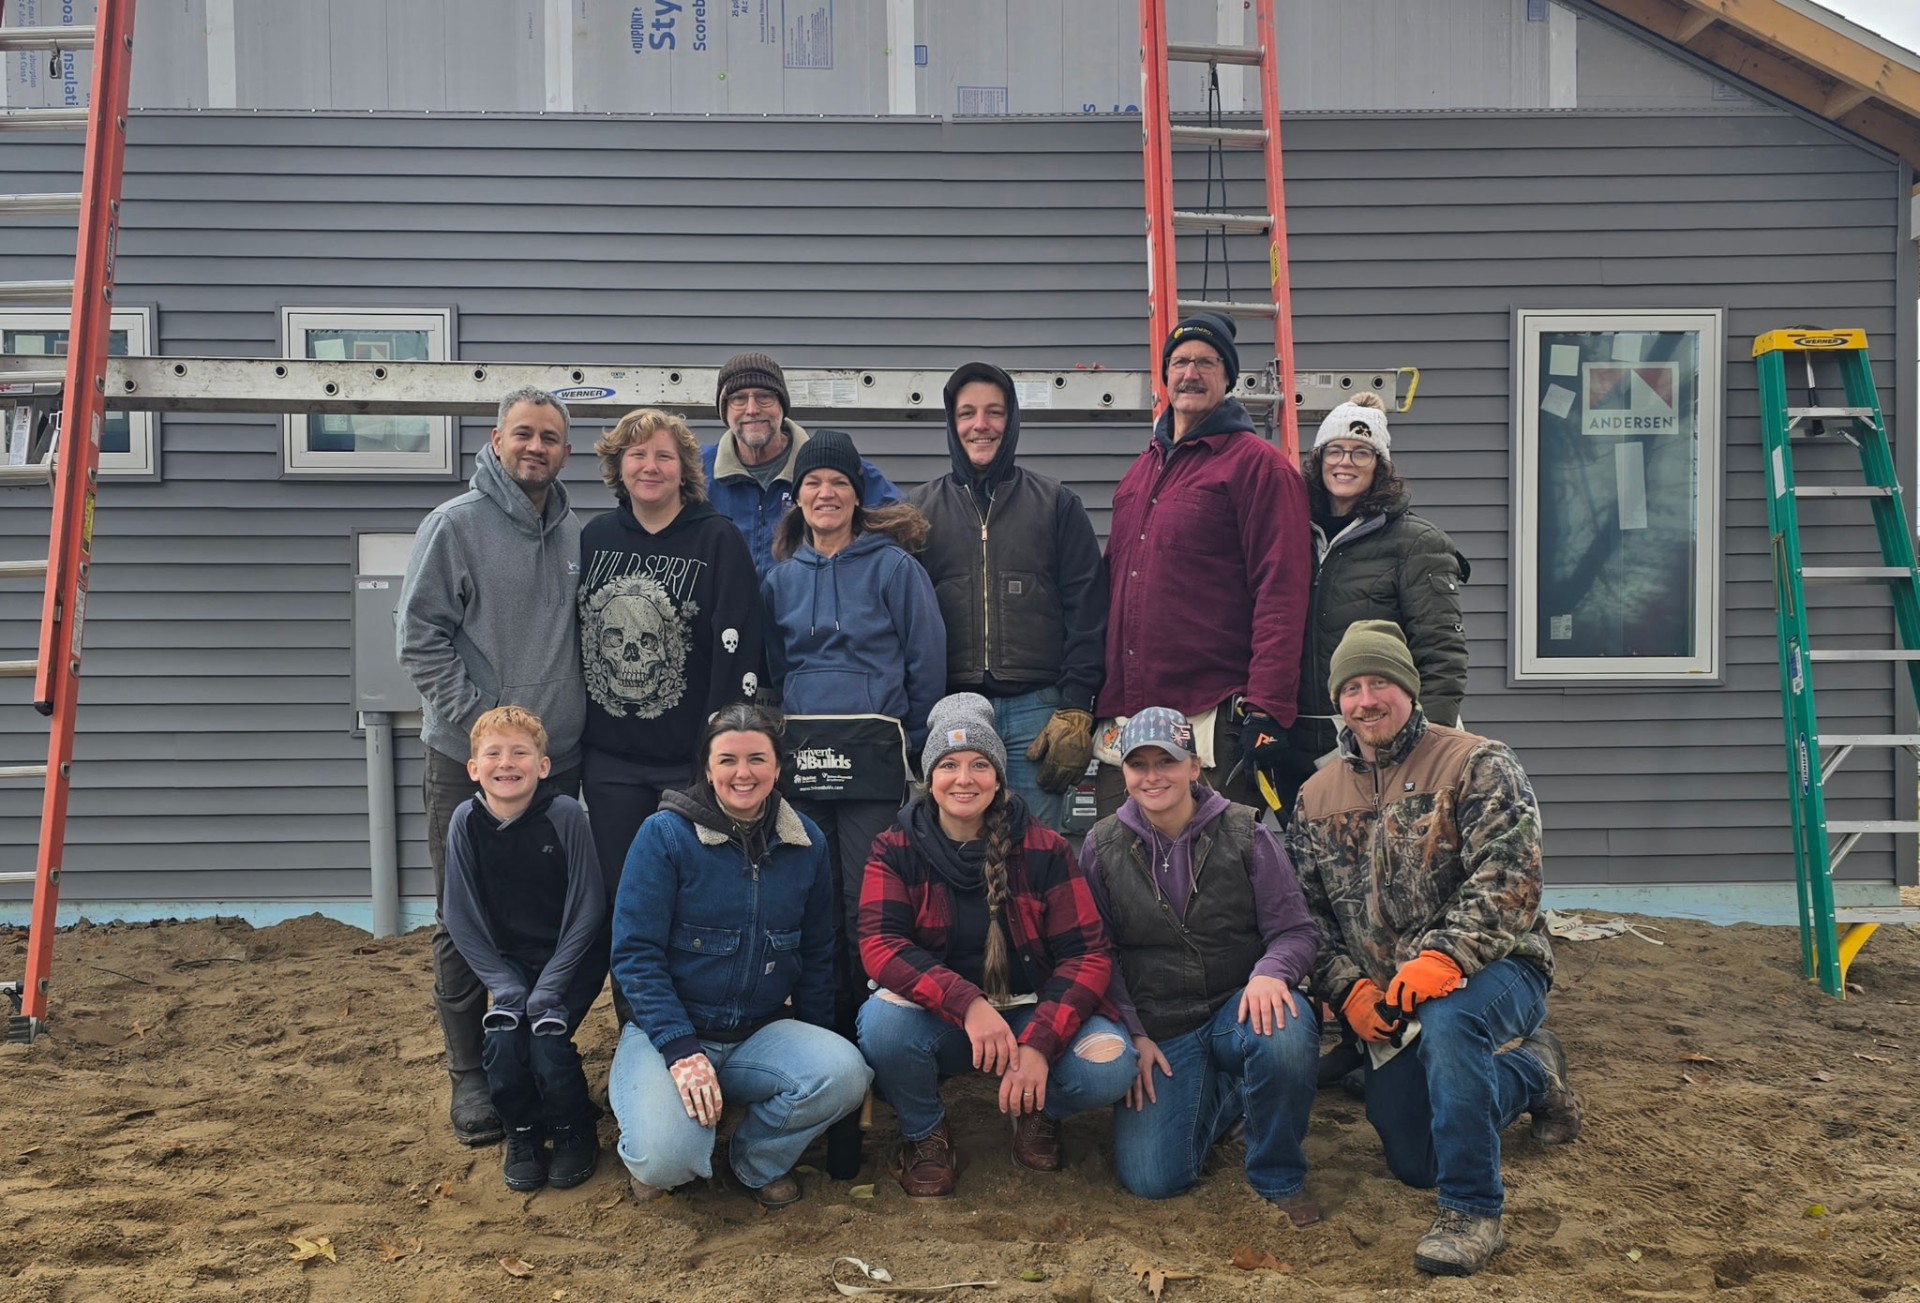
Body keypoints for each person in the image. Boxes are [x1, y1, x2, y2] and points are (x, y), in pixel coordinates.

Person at [1288, 620, 1581, 1277]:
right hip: (1393, 999)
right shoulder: (1315, 796)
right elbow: (1307, 918)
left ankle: (1474, 1211)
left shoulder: (1478, 762)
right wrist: (1350, 990)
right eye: (1353, 686)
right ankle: (1536, 1072)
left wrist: (1444, 957)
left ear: (1410, 689)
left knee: (1453, 1021)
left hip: (1498, 967)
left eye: (1381, 682)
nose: (1366, 699)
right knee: (1415, 1156)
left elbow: (1511, 878)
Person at [397, 386, 585, 1147]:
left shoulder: (577, 534)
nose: (535, 447)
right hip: (468, 764)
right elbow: (420, 639)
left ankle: (540, 1050)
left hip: (561, 763)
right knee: (463, 916)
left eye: (550, 437)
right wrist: (491, 736)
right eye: (523, 434)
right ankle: (469, 1072)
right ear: (495, 438)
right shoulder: (454, 527)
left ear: (565, 451)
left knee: (554, 916)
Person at [857, 694, 1136, 1198]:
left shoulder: (1045, 848)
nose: (964, 779)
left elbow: (1087, 954)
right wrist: (967, 1003)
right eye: (949, 765)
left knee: (1112, 1062)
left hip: (1032, 1011)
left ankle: (1039, 1112)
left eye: (979, 765)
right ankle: (925, 1135)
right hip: (947, 1020)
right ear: (929, 777)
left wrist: (1040, 1043)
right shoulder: (894, 848)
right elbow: (880, 945)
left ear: (999, 776)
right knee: (882, 1025)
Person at [761, 427, 945, 1174]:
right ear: (796, 495)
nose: (825, 493)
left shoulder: (895, 568)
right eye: (812, 483)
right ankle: (827, 1066)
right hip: (806, 763)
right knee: (810, 903)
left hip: (874, 763)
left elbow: (927, 663)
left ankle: (882, 1071)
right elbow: (774, 672)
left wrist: (923, 754)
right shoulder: (778, 577)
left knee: (864, 906)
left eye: (838, 481)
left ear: (856, 493)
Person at [606, 703, 872, 1208]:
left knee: (846, 1073)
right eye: (727, 760)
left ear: (777, 767)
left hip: (758, 1035)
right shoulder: (664, 837)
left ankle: (754, 1160)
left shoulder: (806, 843)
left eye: (757, 759)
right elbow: (635, 955)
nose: (742, 773)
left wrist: (817, 1038)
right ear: (707, 768)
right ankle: (664, 1136)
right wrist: (681, 1049)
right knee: (667, 1160)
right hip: (669, 1034)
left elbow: (818, 955)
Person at [1079, 708, 1322, 1225]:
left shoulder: (1244, 831)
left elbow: (1296, 930)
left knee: (1287, 1026)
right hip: (1161, 1027)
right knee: (1153, 1181)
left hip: (1238, 1006)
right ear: (1123, 773)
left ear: (1193, 766)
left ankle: (1278, 1173)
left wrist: (1270, 974)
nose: (1152, 776)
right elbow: (1098, 953)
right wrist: (1133, 1032)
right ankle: (1232, 1094)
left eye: (1165, 761)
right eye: (1137, 764)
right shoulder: (1101, 846)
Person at [1095, 313, 1311, 815]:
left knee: (1213, 883)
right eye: (1180, 362)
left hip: (1212, 726)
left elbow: (1282, 589)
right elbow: (1112, 592)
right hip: (1127, 724)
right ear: (1165, 375)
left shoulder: (1259, 468)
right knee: (1122, 878)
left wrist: (1268, 709)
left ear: (1228, 377)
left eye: (1206, 362)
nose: (1190, 373)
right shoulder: (1139, 473)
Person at [578, 407, 763, 916]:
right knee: (624, 901)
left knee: (693, 898)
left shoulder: (718, 539)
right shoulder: (594, 540)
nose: (650, 466)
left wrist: (718, 749)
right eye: (637, 455)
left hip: (689, 764)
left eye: (665, 456)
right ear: (619, 467)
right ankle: (635, 1000)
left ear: (685, 468)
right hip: (610, 760)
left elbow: (742, 650)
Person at [909, 362, 1107, 832]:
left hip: (1038, 715)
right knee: (958, 850)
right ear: (951, 423)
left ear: (1013, 419)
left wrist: (1078, 703)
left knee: (1034, 853)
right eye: (968, 413)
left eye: (994, 412)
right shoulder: (917, 513)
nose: (981, 425)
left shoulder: (1057, 504)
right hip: (952, 710)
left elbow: (1088, 610)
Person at [441, 707, 608, 1192]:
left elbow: (588, 907)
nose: (506, 763)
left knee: (547, 1043)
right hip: (509, 963)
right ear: (474, 768)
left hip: (570, 958)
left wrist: (551, 985)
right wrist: (503, 983)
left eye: (520, 752)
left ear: (543, 765)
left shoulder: (565, 815)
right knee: (505, 1045)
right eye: (493, 753)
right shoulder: (464, 821)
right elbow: (460, 915)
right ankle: (523, 1132)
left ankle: (573, 1127)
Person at [1280, 391, 1468, 811]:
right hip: (1295, 746)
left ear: (1380, 466)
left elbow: (1442, 656)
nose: (1345, 462)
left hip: (1381, 741)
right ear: (1318, 458)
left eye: (1362, 453)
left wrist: (1424, 749)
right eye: (1336, 450)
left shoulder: (1417, 543)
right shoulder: (1289, 533)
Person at [703, 352, 902, 577]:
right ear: (724, 410)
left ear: (782, 405)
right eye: (738, 398)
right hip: (727, 611)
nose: (752, 409)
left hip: (806, 609)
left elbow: (900, 523)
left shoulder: (830, 464)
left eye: (764, 396)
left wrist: (848, 573)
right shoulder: (698, 472)